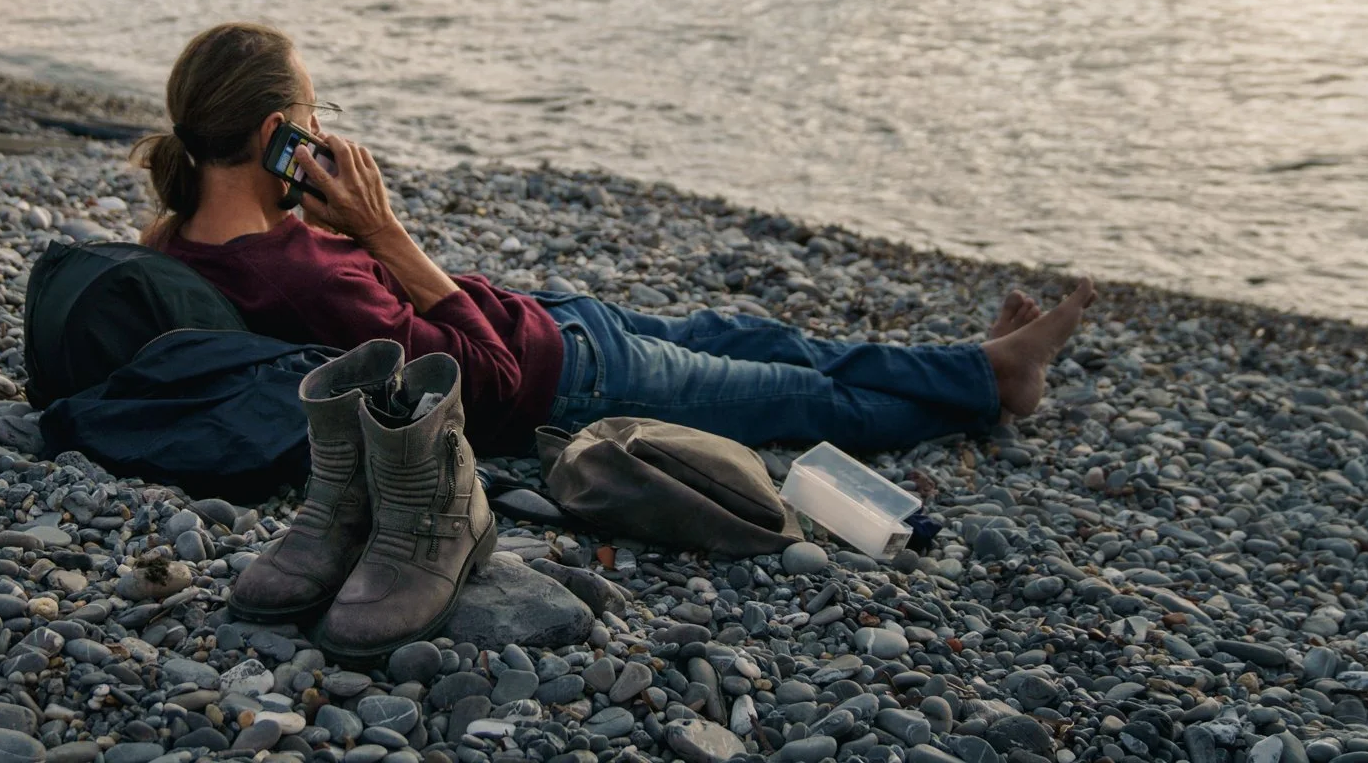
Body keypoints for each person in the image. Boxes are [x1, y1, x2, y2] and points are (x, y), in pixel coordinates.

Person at [138, 22, 1096, 458]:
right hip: (571, 378)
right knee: (803, 397)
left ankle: (978, 362)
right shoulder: (306, 273)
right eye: (316, 112)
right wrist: (386, 233)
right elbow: (492, 386)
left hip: (553, 325)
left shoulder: (181, 244)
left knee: (761, 339)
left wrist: (321, 223)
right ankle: (988, 385)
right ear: (278, 138)